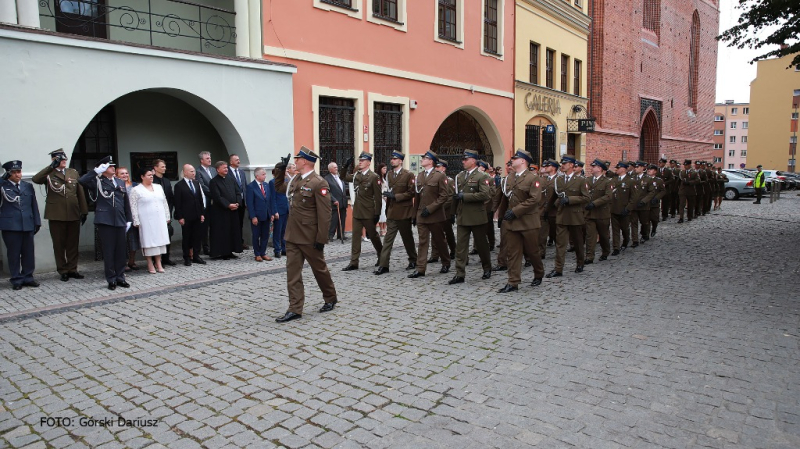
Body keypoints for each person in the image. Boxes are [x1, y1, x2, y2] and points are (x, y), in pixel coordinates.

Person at [275, 147, 338, 323]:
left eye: (297, 159)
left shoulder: (318, 183)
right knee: (292, 273)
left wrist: (321, 239)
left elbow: (325, 214)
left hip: (310, 236)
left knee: (319, 269)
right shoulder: (296, 179)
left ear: (304, 161)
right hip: (293, 234)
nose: (295, 161)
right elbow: (279, 187)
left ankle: (330, 297)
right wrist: (280, 169)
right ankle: (295, 308)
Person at [32, 149, 88, 282]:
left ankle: (72, 269)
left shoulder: (72, 172)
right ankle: (62, 270)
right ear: (53, 160)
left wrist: (84, 210)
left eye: (64, 158)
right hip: (56, 214)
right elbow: (36, 179)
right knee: (59, 244)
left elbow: (79, 192)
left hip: (73, 212)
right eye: (60, 159)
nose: (64, 160)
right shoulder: (49, 173)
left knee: (73, 244)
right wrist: (51, 167)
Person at [79, 156, 132, 290]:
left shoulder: (119, 182)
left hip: (120, 220)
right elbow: (82, 181)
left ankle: (120, 277)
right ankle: (111, 279)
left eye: (113, 166)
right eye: (109, 166)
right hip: (105, 221)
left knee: (121, 251)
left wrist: (129, 219)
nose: (113, 168)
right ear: (102, 169)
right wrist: (95, 171)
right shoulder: (97, 181)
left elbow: (126, 202)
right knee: (109, 251)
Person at [496, 150, 544, 293]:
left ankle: (539, 272)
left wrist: (516, 211)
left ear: (523, 161)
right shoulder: (509, 178)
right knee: (513, 253)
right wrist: (501, 216)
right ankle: (513, 282)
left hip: (528, 222)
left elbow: (535, 199)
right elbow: (505, 198)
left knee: (532, 252)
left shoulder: (532, 178)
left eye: (515, 158)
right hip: (511, 222)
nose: (512, 160)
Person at [449, 150, 493, 285]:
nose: (463, 161)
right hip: (462, 216)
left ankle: (487, 267)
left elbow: (486, 195)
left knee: (481, 245)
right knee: (461, 247)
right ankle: (459, 273)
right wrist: (452, 213)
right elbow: (456, 196)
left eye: (465, 159)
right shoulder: (460, 176)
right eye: (463, 159)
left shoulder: (482, 176)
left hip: (476, 216)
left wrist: (466, 197)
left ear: (473, 161)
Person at [408, 151, 450, 278]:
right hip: (421, 214)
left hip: (435, 215)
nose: (422, 160)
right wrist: (414, 215)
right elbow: (417, 197)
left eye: (425, 158)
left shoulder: (439, 176)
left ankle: (446, 261)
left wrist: (431, 208)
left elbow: (444, 196)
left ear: (431, 161)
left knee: (439, 240)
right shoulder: (420, 176)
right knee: (422, 241)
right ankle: (421, 268)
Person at [0, 160, 41, 290]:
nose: (18, 175)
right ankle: (16, 279)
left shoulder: (27, 186)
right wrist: (2, 179)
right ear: (8, 174)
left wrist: (37, 221)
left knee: (28, 252)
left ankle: (28, 277)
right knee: (14, 254)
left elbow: (33, 204)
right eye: (15, 172)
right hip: (11, 226)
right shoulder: (3, 186)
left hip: (27, 223)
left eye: (19, 171)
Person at [375, 151, 417, 274]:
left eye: (395, 159)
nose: (392, 161)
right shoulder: (389, 174)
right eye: (392, 158)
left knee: (407, 238)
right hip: (392, 211)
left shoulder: (408, 175)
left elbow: (411, 193)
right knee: (388, 239)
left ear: (400, 161)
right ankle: (384, 265)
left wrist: (395, 196)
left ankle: (413, 259)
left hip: (404, 212)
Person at [547, 156, 590, 277]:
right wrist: (547, 210)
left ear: (571, 165)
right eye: (562, 163)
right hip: (561, 215)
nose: (562, 165)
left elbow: (586, 198)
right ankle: (558, 269)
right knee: (560, 244)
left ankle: (580, 263)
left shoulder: (581, 180)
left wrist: (570, 199)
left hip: (575, 216)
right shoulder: (559, 180)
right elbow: (554, 197)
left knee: (577, 242)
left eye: (565, 163)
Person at [340, 152, 383, 271]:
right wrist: (345, 166)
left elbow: (378, 197)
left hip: (369, 212)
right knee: (355, 237)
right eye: (359, 160)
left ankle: (381, 255)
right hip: (358, 211)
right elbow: (342, 177)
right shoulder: (356, 176)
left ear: (368, 162)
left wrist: (377, 213)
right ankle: (354, 262)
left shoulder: (374, 177)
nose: (360, 162)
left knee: (373, 235)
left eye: (363, 160)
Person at [130, 168, 171, 274]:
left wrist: (167, 216)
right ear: (142, 177)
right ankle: (149, 262)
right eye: (148, 175)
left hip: (159, 218)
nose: (151, 176)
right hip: (146, 220)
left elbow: (164, 202)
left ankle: (159, 262)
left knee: (159, 241)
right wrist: (136, 220)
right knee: (148, 241)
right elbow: (133, 206)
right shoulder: (136, 190)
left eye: (152, 175)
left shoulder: (158, 187)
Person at [208, 161, 243, 260]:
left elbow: (238, 191)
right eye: (224, 168)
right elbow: (217, 197)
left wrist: (237, 203)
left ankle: (231, 251)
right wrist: (228, 205)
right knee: (224, 232)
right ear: (218, 169)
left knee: (233, 231)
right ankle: (224, 252)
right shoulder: (214, 181)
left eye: (227, 167)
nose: (226, 169)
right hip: (221, 212)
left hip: (233, 210)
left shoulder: (231, 179)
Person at [173, 164, 207, 266]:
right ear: (185, 172)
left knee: (197, 237)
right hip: (186, 217)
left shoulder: (196, 183)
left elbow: (200, 199)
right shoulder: (179, 186)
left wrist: (202, 213)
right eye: (191, 171)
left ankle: (196, 256)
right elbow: (177, 203)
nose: (194, 173)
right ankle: (187, 257)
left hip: (197, 215)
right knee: (187, 237)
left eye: (194, 171)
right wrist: (180, 217)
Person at [584, 159, 613, 264]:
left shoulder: (607, 182)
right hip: (589, 213)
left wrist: (595, 203)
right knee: (590, 236)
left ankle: (605, 252)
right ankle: (589, 256)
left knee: (603, 235)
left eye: (593, 166)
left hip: (601, 213)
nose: (591, 168)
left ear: (600, 169)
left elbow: (608, 196)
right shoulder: (587, 180)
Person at [429, 160, 456, 263]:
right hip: (435, 211)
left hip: (445, 211)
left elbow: (450, 197)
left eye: (438, 167)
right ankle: (435, 255)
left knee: (448, 233)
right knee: (435, 233)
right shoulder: (433, 180)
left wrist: (440, 206)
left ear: (444, 168)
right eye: (436, 166)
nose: (436, 168)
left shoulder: (449, 181)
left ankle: (453, 250)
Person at [246, 167, 276, 262]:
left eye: (265, 174)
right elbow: (250, 203)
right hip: (257, 216)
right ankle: (257, 254)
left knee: (265, 235)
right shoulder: (251, 187)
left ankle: (263, 252)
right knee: (256, 235)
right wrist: (253, 216)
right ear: (257, 176)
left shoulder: (266, 185)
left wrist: (271, 213)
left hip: (266, 215)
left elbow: (270, 200)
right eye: (263, 174)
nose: (265, 176)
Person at [152, 159, 176, 266]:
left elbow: (170, 198)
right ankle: (156, 259)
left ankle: (166, 257)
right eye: (162, 166)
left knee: (167, 235)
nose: (164, 168)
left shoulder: (166, 181)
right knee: (156, 237)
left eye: (165, 166)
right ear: (155, 168)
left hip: (166, 213)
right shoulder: (152, 181)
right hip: (155, 213)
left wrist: (169, 212)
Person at [116, 166, 141, 271]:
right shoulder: (116, 186)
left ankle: (132, 261)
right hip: (121, 216)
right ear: (117, 176)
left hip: (133, 215)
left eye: (126, 173)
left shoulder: (135, 185)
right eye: (122, 173)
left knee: (133, 239)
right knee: (122, 241)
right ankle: (123, 262)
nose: (125, 175)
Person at [610, 162, 635, 256]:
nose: (616, 169)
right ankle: (616, 248)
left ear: (624, 169)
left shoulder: (631, 181)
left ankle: (626, 240)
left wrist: (628, 208)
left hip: (624, 209)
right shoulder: (613, 180)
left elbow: (633, 197)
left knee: (624, 228)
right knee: (615, 230)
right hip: (614, 208)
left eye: (618, 168)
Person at [270, 162, 294, 258]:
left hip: (286, 208)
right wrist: (275, 211)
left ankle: (284, 249)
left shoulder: (287, 180)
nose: (287, 171)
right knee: (277, 231)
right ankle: (277, 249)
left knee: (285, 231)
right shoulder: (273, 182)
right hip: (279, 210)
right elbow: (273, 198)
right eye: (285, 170)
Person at [629, 161, 655, 247]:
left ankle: (644, 235)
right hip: (634, 205)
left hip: (643, 205)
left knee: (644, 222)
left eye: (637, 167)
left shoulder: (648, 179)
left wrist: (644, 201)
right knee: (634, 223)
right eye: (635, 167)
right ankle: (635, 240)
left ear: (642, 168)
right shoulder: (632, 178)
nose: (635, 169)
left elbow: (651, 192)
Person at [227, 154, 249, 249]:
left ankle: (240, 241)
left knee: (240, 223)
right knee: (232, 223)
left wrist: (246, 201)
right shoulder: (227, 172)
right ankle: (232, 243)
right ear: (231, 162)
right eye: (236, 160)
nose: (238, 161)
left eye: (239, 159)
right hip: (232, 202)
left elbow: (245, 186)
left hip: (242, 201)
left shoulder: (241, 172)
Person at [538, 160, 559, 259]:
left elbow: (561, 194)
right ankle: (541, 252)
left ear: (554, 168)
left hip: (554, 211)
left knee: (556, 234)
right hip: (542, 210)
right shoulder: (542, 179)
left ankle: (559, 252)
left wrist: (555, 204)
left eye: (548, 166)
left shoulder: (559, 179)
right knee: (542, 234)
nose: (545, 167)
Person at [324, 162, 348, 241]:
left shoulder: (339, 177)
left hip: (343, 202)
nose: (336, 169)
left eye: (337, 167)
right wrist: (333, 200)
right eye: (335, 167)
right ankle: (330, 235)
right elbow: (327, 191)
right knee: (334, 220)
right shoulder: (327, 178)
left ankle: (341, 234)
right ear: (330, 169)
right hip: (334, 202)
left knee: (342, 219)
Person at [196, 151, 215, 255]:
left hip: (215, 202)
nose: (209, 160)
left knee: (214, 224)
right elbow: (202, 186)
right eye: (207, 158)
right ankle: (205, 246)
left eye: (210, 158)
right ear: (201, 160)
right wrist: (214, 194)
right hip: (206, 201)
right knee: (205, 226)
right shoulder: (198, 171)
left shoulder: (213, 170)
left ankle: (214, 245)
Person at [647, 165, 666, 237]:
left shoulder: (659, 180)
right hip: (646, 203)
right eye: (648, 169)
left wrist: (657, 198)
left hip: (654, 203)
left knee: (654, 219)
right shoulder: (644, 179)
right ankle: (645, 234)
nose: (649, 170)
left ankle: (654, 228)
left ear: (655, 171)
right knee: (646, 220)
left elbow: (663, 191)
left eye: (651, 169)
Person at [377, 163, 388, 237]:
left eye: (386, 168)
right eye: (384, 168)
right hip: (381, 198)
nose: (385, 170)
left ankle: (385, 228)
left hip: (386, 198)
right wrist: (383, 196)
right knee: (381, 214)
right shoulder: (378, 178)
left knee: (385, 214)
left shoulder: (385, 178)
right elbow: (378, 189)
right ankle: (381, 229)